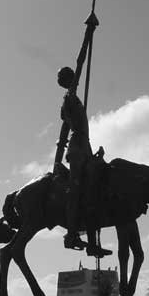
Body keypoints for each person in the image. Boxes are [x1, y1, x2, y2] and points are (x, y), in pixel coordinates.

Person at [58, 66, 110, 258]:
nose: (76, 81)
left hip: (84, 146)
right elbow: (79, 71)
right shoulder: (69, 97)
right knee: (77, 189)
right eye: (72, 78)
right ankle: (72, 234)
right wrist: (88, 36)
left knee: (93, 190)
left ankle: (93, 243)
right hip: (78, 147)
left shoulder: (71, 100)